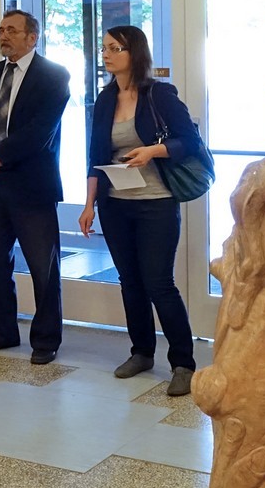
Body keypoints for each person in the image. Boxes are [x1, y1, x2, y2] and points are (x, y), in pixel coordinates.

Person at [79, 25, 198, 397]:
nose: (106, 54)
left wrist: (152, 151)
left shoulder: (159, 94)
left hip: (156, 203)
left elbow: (190, 141)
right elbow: (95, 155)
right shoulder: (105, 98)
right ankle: (142, 352)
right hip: (115, 204)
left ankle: (183, 364)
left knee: (159, 283)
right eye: (104, 48)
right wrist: (89, 204)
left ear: (135, 53)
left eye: (115, 48)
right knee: (129, 281)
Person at [0, 9, 70, 363]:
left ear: (32, 37)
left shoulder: (54, 75)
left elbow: (41, 130)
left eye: (11, 30)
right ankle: (1, 332)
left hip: (32, 186)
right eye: (0, 30)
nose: (4, 36)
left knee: (43, 268)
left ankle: (45, 340)